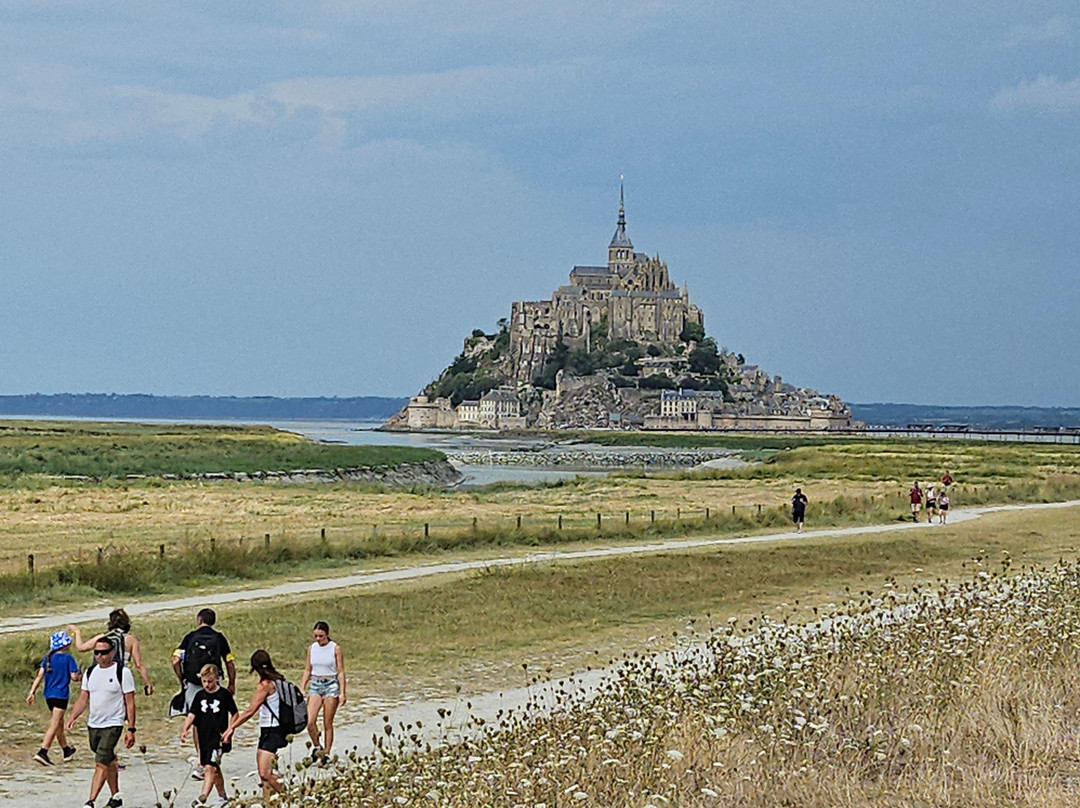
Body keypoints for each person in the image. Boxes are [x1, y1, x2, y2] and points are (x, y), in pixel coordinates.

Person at [65, 637, 137, 808]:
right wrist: (73, 717)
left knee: (101, 762)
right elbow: (84, 697)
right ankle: (116, 796)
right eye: (96, 652)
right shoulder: (90, 672)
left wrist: (131, 729)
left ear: (112, 652)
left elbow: (130, 702)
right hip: (94, 724)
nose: (100, 656)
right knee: (109, 759)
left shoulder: (122, 672)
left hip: (113, 723)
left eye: (104, 652)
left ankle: (90, 801)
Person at [172, 608, 237, 779]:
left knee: (196, 719)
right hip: (215, 681)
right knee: (217, 715)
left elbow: (175, 660)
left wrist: (182, 678)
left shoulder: (190, 637)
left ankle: (202, 760)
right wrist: (231, 683)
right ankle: (214, 755)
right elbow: (230, 662)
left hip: (194, 683)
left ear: (199, 619)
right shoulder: (219, 638)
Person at [222, 650, 287, 801]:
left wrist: (232, 727)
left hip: (272, 730)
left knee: (265, 773)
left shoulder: (265, 685)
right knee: (264, 774)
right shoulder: (278, 679)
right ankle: (268, 802)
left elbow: (251, 710)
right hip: (271, 729)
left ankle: (289, 795)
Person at [180, 664, 238, 807]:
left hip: (218, 738)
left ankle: (202, 798)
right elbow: (192, 714)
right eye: (204, 681)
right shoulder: (199, 696)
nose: (207, 684)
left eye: (210, 681)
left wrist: (230, 729)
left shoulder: (224, 695)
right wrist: (185, 728)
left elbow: (235, 714)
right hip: (203, 738)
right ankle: (222, 796)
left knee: (209, 768)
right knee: (215, 769)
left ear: (217, 679)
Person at [68, 608, 154, 696]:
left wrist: (77, 632)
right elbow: (139, 665)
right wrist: (148, 683)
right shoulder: (131, 640)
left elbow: (81, 648)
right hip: (119, 676)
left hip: (100, 674)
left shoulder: (103, 637)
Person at [26, 630, 81, 766]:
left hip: (48, 695)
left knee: (59, 723)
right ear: (66, 645)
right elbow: (74, 677)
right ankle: (43, 751)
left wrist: (32, 692)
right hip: (61, 694)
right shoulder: (68, 658)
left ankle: (66, 749)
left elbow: (40, 676)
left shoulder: (48, 658)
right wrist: (80, 675)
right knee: (55, 723)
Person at [300, 621, 346, 762]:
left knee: (327, 722)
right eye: (316, 636)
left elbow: (340, 671)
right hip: (316, 683)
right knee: (310, 720)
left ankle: (326, 752)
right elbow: (308, 669)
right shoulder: (312, 649)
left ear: (327, 635)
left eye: (321, 636)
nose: (318, 639)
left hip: (331, 684)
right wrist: (302, 686)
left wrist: (342, 692)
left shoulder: (335, 648)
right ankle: (317, 746)